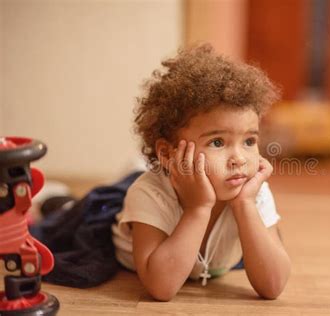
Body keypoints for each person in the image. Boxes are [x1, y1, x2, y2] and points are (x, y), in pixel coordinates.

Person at [112, 43, 291, 301]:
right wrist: (199, 208)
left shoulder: (253, 191)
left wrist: (245, 206)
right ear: (168, 152)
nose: (239, 159)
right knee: (111, 191)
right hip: (131, 200)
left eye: (249, 141)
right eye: (217, 142)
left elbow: (273, 286)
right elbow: (160, 288)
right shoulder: (149, 193)